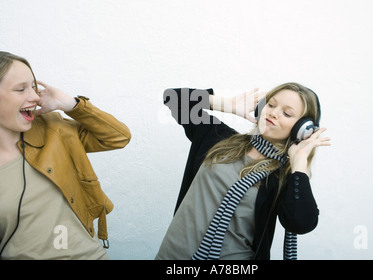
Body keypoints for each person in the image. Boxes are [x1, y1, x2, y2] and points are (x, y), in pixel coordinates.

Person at [156, 84, 330, 260]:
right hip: (171, 255)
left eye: (287, 113)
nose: (273, 113)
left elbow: (300, 223)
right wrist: (228, 105)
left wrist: (299, 163)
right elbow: (173, 97)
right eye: (270, 105)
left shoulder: (285, 179)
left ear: (302, 129)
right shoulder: (219, 138)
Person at [0, 51, 131, 260]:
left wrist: (71, 104)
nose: (34, 96)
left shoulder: (54, 129)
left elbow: (118, 137)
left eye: (33, 86)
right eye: (21, 89)